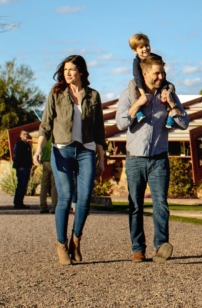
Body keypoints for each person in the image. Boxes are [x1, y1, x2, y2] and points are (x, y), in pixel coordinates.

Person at [115, 54, 189, 262]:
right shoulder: (129, 94)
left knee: (160, 203)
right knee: (135, 205)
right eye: (157, 73)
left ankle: (161, 247)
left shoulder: (168, 94)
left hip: (159, 158)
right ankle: (138, 249)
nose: (161, 76)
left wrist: (172, 104)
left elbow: (184, 123)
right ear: (145, 73)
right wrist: (138, 104)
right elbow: (120, 123)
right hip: (135, 158)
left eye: (163, 72)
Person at [34, 55, 106, 266]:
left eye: (72, 69)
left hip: (86, 151)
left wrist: (101, 158)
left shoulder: (93, 96)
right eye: (65, 69)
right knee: (64, 198)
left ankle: (76, 239)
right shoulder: (56, 94)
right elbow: (45, 124)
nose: (67, 73)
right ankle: (61, 245)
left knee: (84, 199)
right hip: (62, 150)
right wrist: (39, 149)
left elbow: (99, 129)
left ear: (81, 72)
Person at [128, 32, 177, 128]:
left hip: (157, 82)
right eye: (141, 47)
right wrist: (143, 95)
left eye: (146, 45)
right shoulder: (136, 62)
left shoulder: (157, 58)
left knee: (171, 86)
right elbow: (138, 77)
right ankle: (138, 111)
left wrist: (164, 89)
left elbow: (162, 75)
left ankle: (170, 113)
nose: (145, 49)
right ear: (135, 50)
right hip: (142, 83)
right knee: (131, 84)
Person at [13, 130, 33, 209]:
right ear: (20, 135)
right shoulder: (19, 144)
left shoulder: (27, 145)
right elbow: (17, 156)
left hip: (27, 167)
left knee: (24, 185)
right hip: (21, 168)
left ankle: (20, 202)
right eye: (24, 134)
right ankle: (17, 202)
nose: (26, 135)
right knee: (20, 185)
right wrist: (19, 166)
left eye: (27, 134)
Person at [39, 137, 58, 214]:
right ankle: (54, 207)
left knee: (44, 185)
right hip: (53, 161)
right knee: (54, 185)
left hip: (45, 161)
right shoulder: (54, 136)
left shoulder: (44, 137)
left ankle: (43, 206)